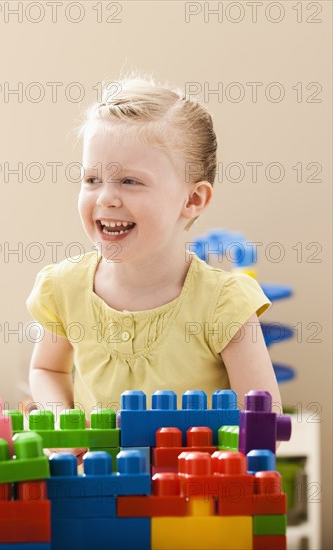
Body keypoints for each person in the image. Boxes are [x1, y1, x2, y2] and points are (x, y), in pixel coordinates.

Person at [26, 74, 281, 459]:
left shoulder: (223, 304)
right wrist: (63, 422)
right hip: (95, 495)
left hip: (192, 504)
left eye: (130, 181)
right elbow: (48, 371)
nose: (106, 197)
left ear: (192, 200)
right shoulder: (65, 288)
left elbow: (263, 418)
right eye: (92, 179)